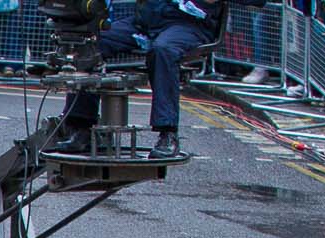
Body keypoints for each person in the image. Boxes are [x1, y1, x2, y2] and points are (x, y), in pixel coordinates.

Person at [53, 0, 221, 158]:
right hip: (146, 22)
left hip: (188, 24)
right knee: (90, 41)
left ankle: (168, 134)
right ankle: (82, 128)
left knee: (164, 50)